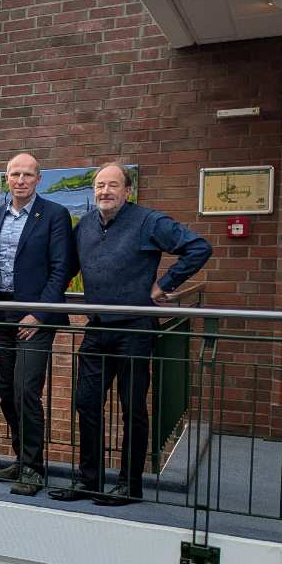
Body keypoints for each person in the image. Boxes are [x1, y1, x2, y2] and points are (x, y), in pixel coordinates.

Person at [50, 162, 211, 506]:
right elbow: (68, 267)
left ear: (127, 191)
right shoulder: (86, 226)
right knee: (86, 403)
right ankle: (89, 480)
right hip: (98, 328)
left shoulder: (148, 221)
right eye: (99, 186)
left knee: (132, 408)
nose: (105, 192)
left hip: (136, 329)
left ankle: (129, 484)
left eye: (112, 185)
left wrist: (166, 283)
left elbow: (198, 247)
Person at [0, 153, 73, 497]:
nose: (20, 180)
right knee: (5, 391)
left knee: (25, 390)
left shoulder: (55, 215)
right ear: (6, 178)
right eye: (14, 174)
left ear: (38, 179)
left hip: (35, 317)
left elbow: (62, 268)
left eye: (27, 175)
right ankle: (21, 458)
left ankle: (33, 467)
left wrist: (39, 313)